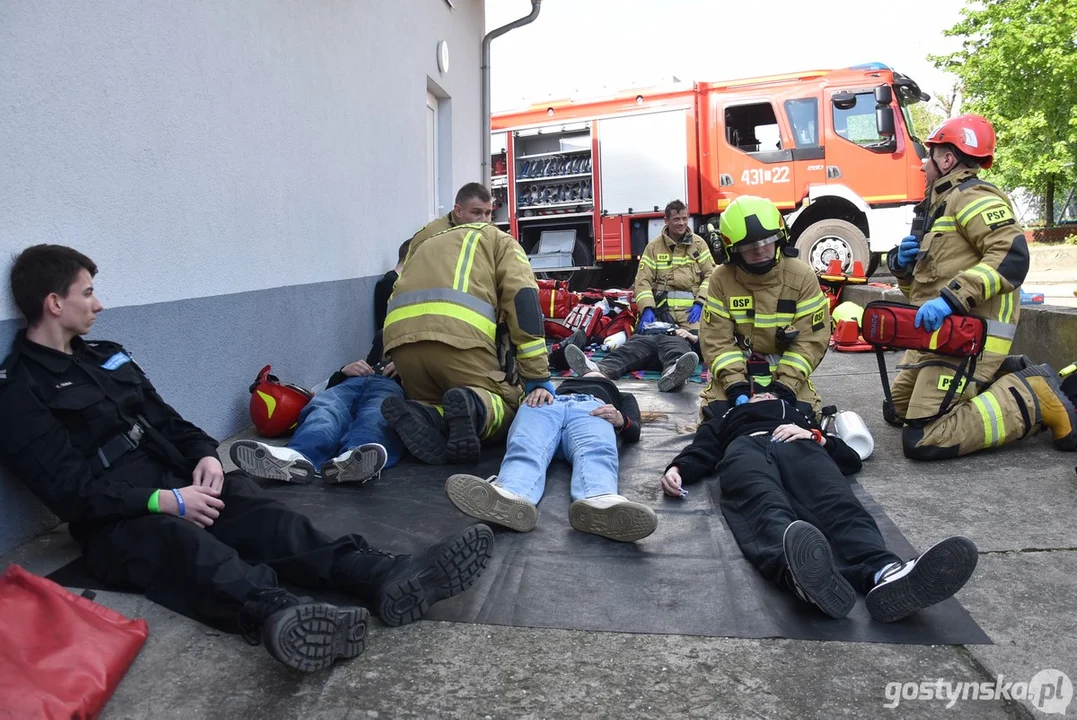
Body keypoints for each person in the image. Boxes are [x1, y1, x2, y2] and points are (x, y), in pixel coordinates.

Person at [0, 245, 494, 672]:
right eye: (87, 293)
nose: (99, 304)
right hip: (120, 516)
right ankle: (278, 614)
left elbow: (169, 420)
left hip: (177, 478)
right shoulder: (18, 390)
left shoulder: (108, 356)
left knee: (265, 516)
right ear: (53, 302)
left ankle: (379, 574)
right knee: (184, 547)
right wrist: (164, 501)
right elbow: (71, 492)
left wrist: (204, 457)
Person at [660, 393, 978, 622]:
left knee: (835, 502)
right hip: (745, 448)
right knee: (763, 504)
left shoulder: (797, 413)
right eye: (756, 395)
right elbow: (702, 450)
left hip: (798, 442)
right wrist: (677, 469)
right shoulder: (726, 417)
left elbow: (851, 461)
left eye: (769, 392)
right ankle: (800, 574)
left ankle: (887, 572)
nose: (762, 395)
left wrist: (816, 437)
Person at [885, 114, 1076, 458]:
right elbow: (919, 294)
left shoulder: (973, 196)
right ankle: (1008, 373)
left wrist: (950, 300)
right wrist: (900, 268)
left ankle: (1033, 397)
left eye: (930, 156)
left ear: (947, 159)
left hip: (972, 338)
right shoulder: (938, 207)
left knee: (924, 438)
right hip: (940, 337)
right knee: (895, 410)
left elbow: (1011, 256)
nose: (922, 165)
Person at [381, 220, 551, 465]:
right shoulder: (501, 241)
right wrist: (537, 375)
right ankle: (474, 406)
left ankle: (424, 414)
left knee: (436, 401)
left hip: (402, 347)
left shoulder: (424, 243)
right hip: (459, 342)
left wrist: (391, 356)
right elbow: (522, 300)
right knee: (509, 405)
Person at [445, 373, 656, 542]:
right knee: (526, 445)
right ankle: (510, 493)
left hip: (592, 409)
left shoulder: (622, 396)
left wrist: (621, 420)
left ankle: (600, 500)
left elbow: (634, 429)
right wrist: (537, 389)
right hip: (547, 402)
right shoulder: (556, 384)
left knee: (596, 451)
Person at [698, 195, 830, 417]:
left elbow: (811, 340)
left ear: (780, 238)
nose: (759, 250)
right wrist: (736, 387)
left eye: (766, 241)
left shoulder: (801, 277)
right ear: (732, 250)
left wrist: (785, 387)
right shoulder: (721, 279)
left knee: (803, 417)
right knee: (715, 418)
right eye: (748, 246)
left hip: (788, 375)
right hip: (737, 373)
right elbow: (716, 340)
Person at [563, 200, 712, 392]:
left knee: (677, 346)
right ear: (666, 220)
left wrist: (700, 302)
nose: (682, 223)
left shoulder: (699, 245)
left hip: (686, 320)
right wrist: (647, 309)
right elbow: (642, 281)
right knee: (635, 345)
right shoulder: (654, 247)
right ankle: (597, 369)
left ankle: (674, 372)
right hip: (658, 317)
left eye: (685, 218)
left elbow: (711, 275)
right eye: (677, 219)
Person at [229, 358, 406, 485]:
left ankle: (357, 455)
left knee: (377, 412)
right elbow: (319, 390)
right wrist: (342, 371)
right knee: (324, 407)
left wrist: (410, 372)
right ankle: (298, 456)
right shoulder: (378, 343)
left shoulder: (415, 358)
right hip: (352, 382)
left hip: (391, 385)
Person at [402, 182, 495, 264]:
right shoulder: (430, 237)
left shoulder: (492, 235)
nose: (484, 219)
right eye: (476, 212)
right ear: (458, 211)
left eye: (488, 213)